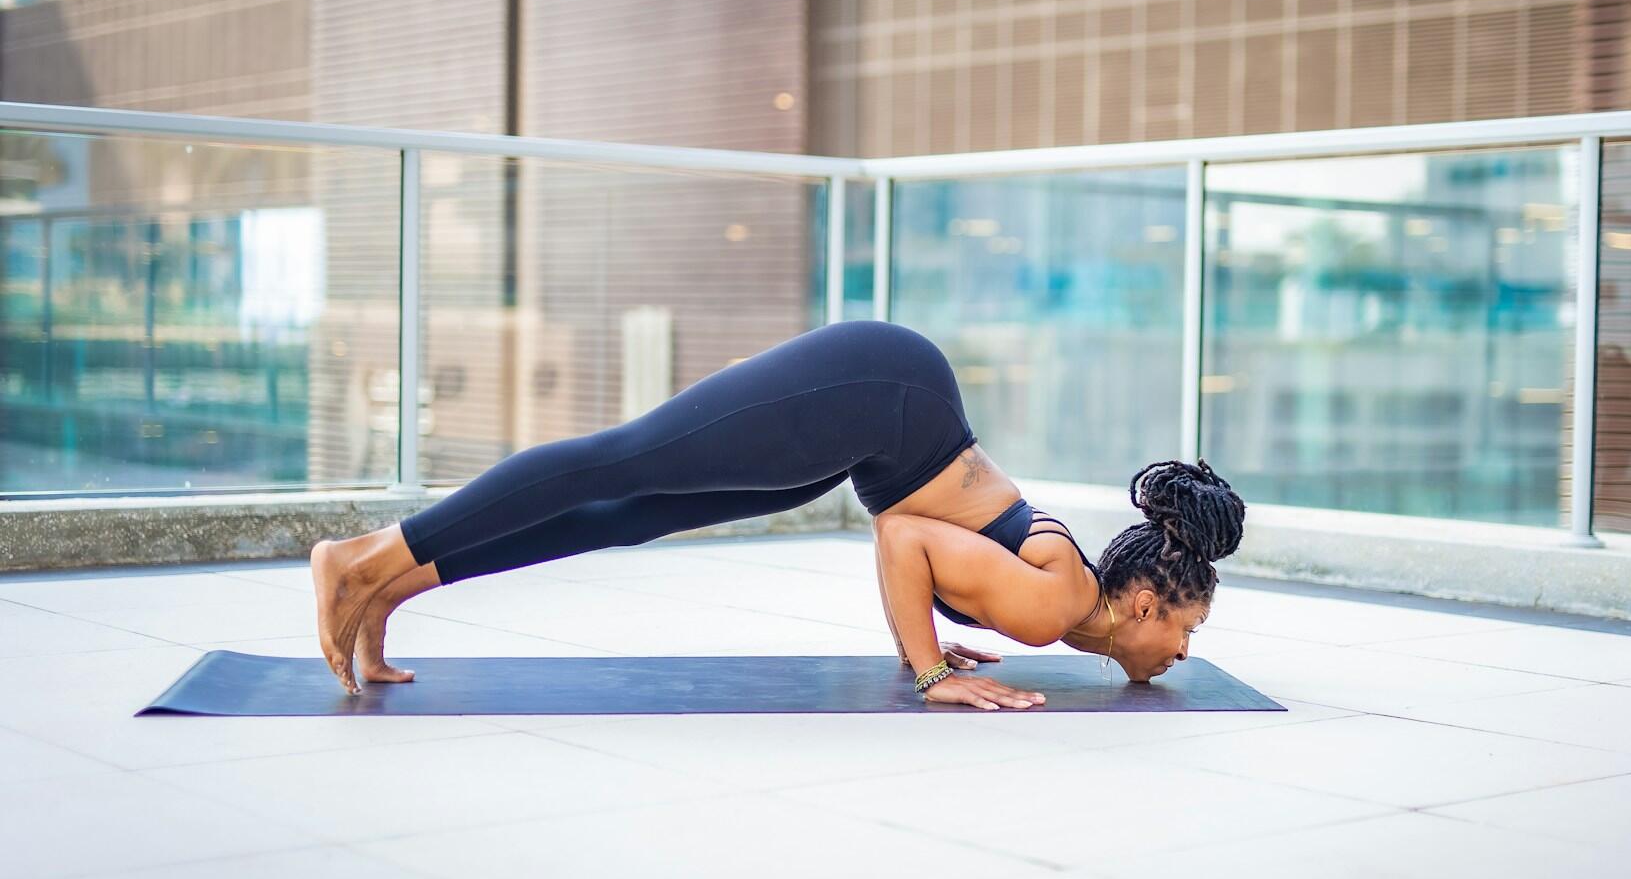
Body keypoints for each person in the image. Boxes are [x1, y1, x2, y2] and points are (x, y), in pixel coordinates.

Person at [310, 319, 1246, 710]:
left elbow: (926, 540)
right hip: (877, 396)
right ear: (1143, 605)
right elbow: (904, 536)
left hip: (877, 430)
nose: (1182, 652)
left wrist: (928, 637)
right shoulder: (1052, 606)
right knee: (621, 461)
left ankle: (390, 589)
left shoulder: (1062, 599)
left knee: (628, 511)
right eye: (1187, 629)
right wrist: (930, 672)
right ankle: (362, 557)